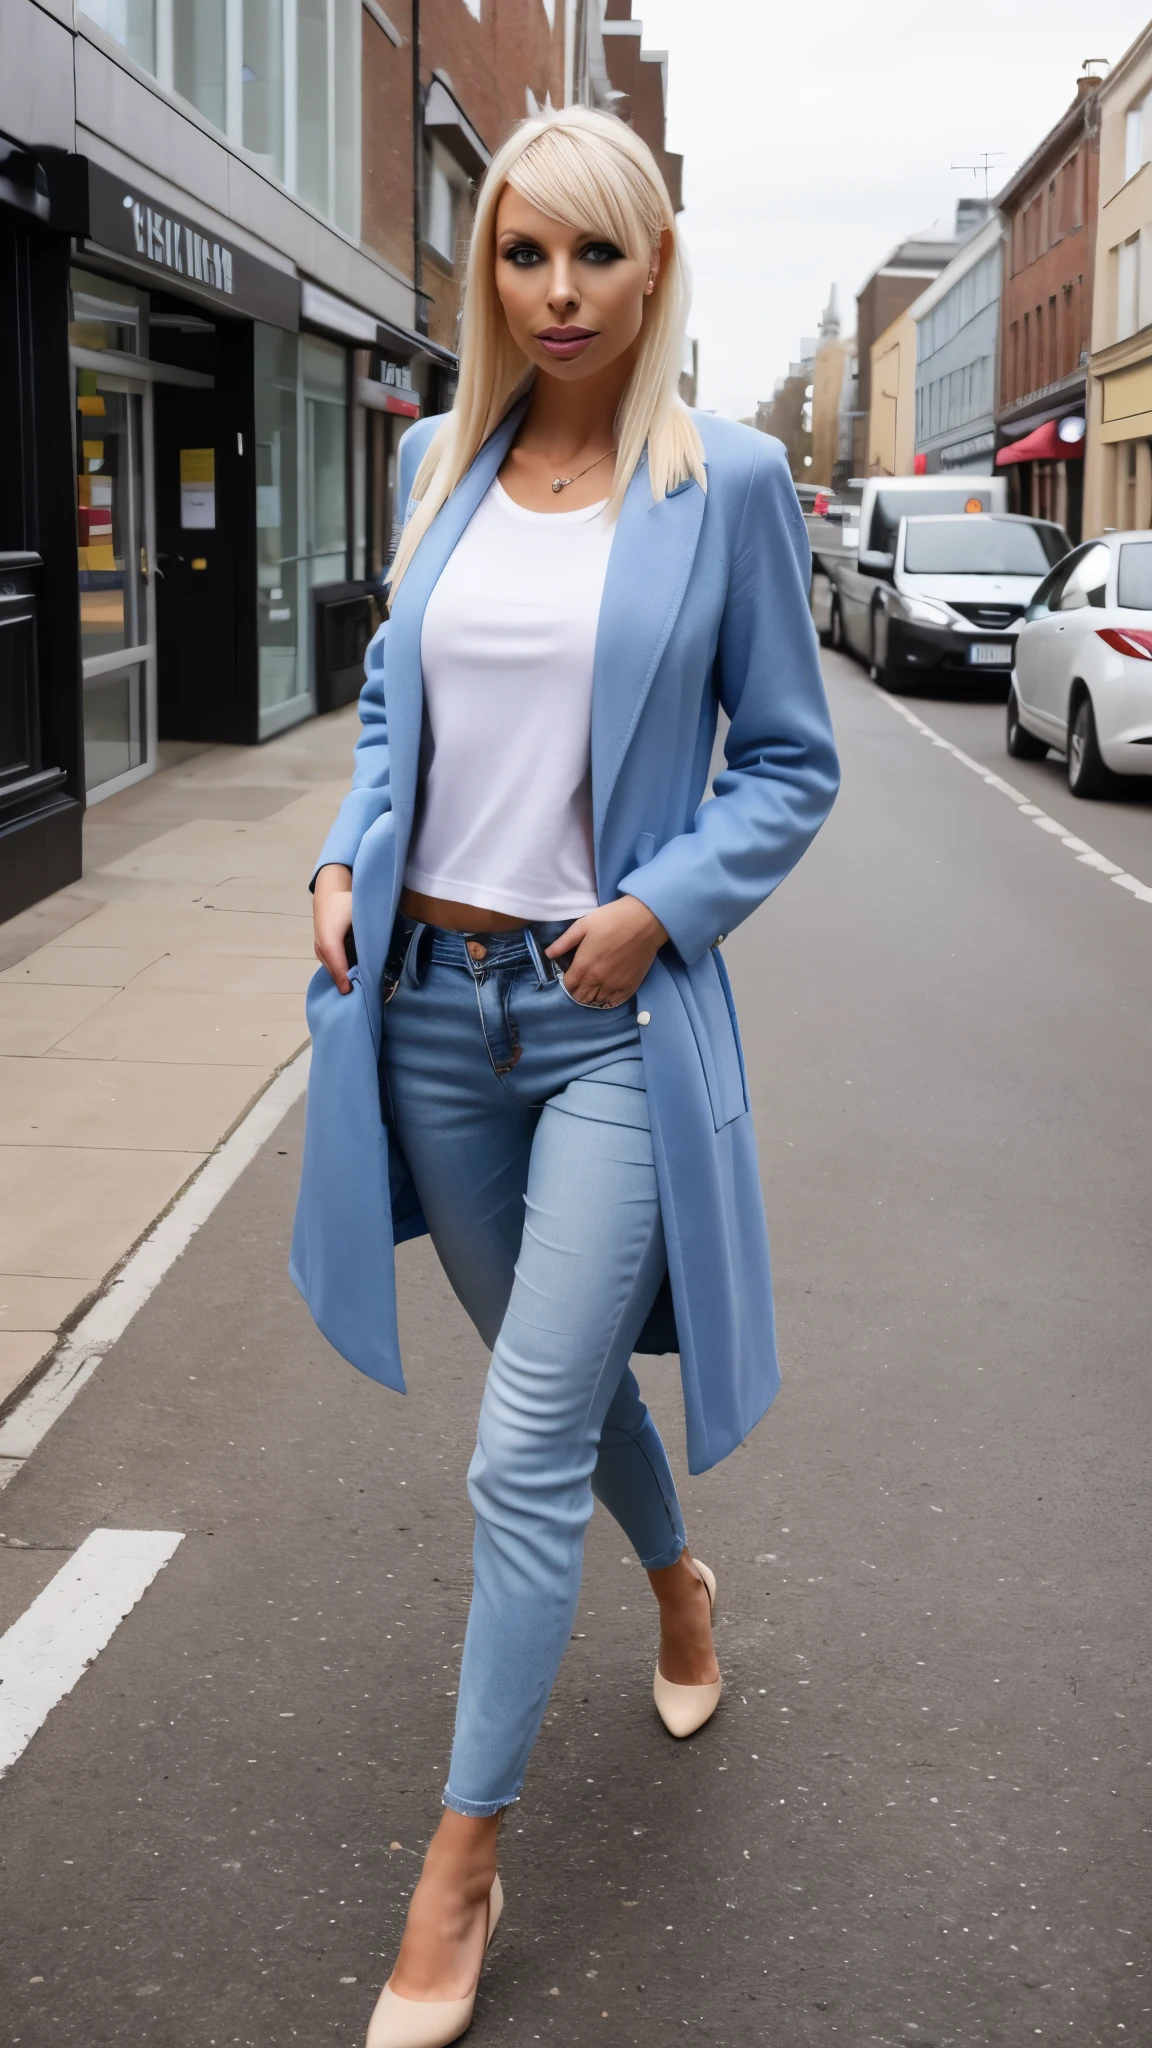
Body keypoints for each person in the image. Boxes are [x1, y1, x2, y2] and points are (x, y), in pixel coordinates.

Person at [292, 104, 839, 2048]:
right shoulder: (442, 456)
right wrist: (351, 853)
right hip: (430, 1008)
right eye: (527, 254)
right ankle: (680, 1576)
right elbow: (390, 700)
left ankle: (460, 1859)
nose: (562, 291)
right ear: (491, 271)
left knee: (517, 1442)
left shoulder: (732, 482)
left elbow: (790, 759)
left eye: (599, 255)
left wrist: (663, 908)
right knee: (557, 1363)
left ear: (655, 266)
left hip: (606, 1019)